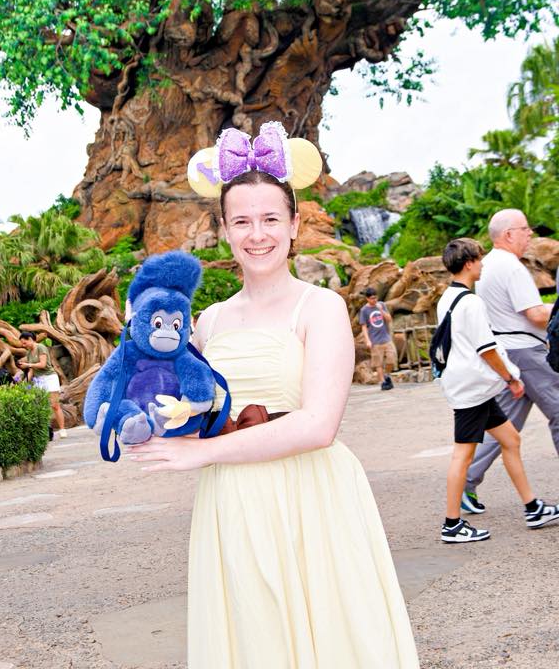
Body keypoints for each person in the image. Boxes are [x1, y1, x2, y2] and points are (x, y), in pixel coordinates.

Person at [130, 122, 420, 669]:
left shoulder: (321, 307)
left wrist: (203, 452)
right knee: (254, 634)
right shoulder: (208, 321)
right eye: (242, 221)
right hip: (234, 502)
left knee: (328, 630)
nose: (256, 233)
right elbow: (190, 411)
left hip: (312, 492)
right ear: (223, 229)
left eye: (269, 219)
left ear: (292, 227)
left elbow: (318, 425)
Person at [437, 238, 559, 543]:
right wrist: (511, 378)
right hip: (472, 390)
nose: (482, 264)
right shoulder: (471, 302)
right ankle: (452, 524)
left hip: (473, 387)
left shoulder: (448, 298)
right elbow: (486, 349)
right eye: (479, 260)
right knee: (462, 456)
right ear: (468, 264)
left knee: (511, 439)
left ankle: (533, 507)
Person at [462, 209, 559, 515]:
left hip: (507, 351)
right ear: (508, 234)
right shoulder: (511, 267)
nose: (530, 234)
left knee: (505, 427)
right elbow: (535, 314)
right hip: (527, 352)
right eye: (524, 229)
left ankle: (464, 481)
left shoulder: (487, 264)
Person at [17, 330, 67, 439]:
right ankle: (47, 431)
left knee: (54, 405)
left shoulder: (41, 347)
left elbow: (43, 364)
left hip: (49, 377)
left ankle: (62, 429)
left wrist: (27, 364)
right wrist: (25, 383)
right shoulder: (29, 352)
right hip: (38, 380)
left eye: (24, 343)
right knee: (41, 407)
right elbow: (31, 370)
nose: (23, 345)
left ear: (30, 339)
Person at [359, 285, 397, 389]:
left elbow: (389, 319)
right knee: (378, 363)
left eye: (375, 298)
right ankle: (383, 382)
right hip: (375, 340)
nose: (374, 300)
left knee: (391, 359)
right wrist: (367, 340)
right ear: (367, 298)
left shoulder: (381, 305)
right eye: (372, 298)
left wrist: (381, 310)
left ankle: (387, 375)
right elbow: (364, 327)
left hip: (386, 338)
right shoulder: (364, 310)